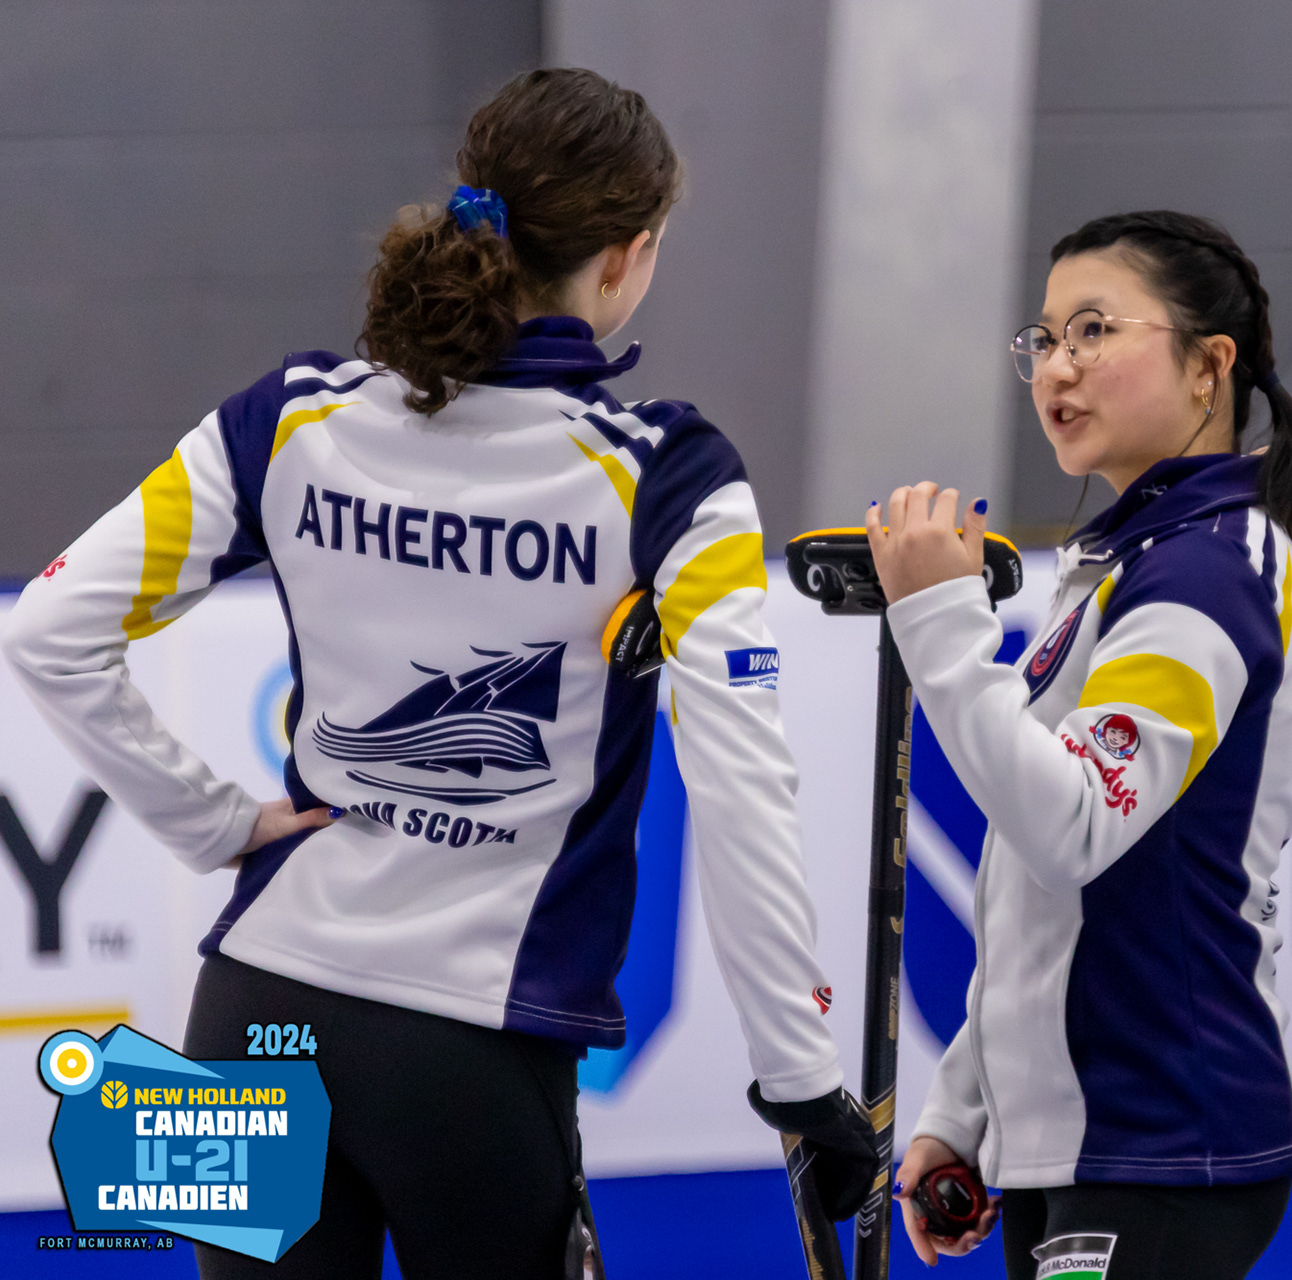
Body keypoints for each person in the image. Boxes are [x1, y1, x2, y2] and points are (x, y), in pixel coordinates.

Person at [1, 68, 876, 1279]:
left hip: (250, 1006)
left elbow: (48, 629)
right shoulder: (672, 474)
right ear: (626, 258)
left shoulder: (288, 416)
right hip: (472, 1049)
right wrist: (799, 1075)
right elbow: (742, 788)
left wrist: (213, 825)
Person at [869, 211, 1292, 1280]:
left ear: (1208, 367)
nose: (1057, 367)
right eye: (1044, 339)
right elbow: (1045, 898)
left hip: (1166, 1133)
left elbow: (1072, 825)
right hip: (1090, 1142)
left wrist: (938, 620)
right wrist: (969, 1103)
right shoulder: (1136, 559)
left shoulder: (1208, 568)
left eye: (1094, 330)